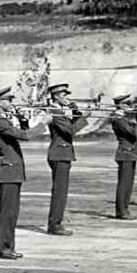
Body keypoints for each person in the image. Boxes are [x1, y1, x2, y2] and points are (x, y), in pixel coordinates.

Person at [0, 87, 32, 260]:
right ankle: (3, 248)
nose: (11, 103)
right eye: (8, 100)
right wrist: (44, 123)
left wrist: (23, 120)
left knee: (11, 212)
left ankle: (5, 247)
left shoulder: (3, 119)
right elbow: (24, 136)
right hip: (7, 170)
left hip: (12, 170)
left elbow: (22, 133)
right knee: (7, 212)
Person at [45, 84, 86, 236]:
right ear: (56, 96)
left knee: (61, 191)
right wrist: (85, 117)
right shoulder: (55, 112)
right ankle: (55, 225)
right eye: (64, 95)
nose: (67, 98)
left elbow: (70, 126)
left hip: (62, 153)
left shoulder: (59, 111)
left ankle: (56, 223)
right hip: (59, 153)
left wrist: (76, 111)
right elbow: (70, 130)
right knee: (60, 192)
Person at [110, 95, 137, 220]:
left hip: (130, 152)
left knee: (129, 183)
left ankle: (125, 209)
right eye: (127, 104)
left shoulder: (124, 118)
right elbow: (134, 133)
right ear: (120, 105)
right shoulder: (118, 119)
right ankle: (121, 211)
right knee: (124, 183)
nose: (130, 106)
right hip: (125, 152)